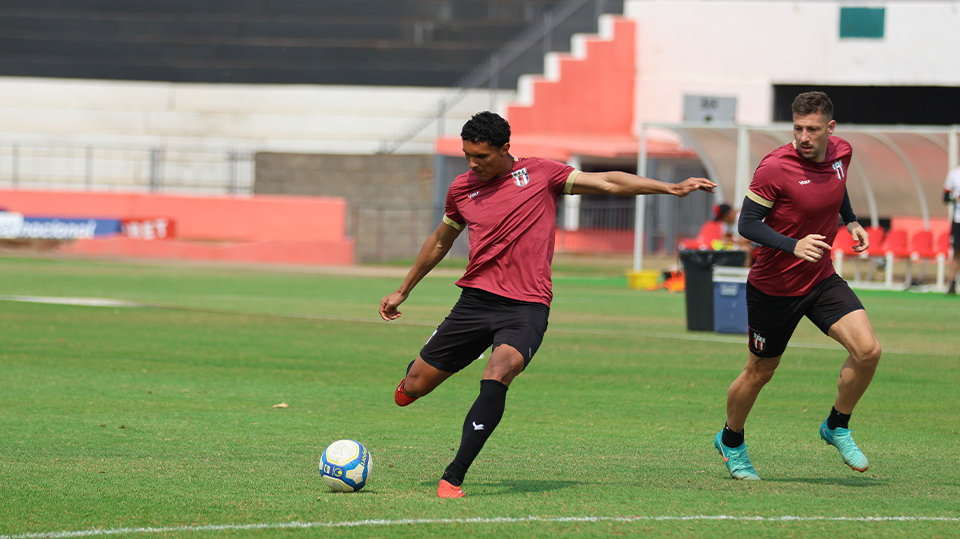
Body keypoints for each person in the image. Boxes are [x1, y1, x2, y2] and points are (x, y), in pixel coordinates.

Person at [379, 111, 716, 498]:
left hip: (526, 307)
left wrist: (670, 188)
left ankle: (453, 476)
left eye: (481, 156)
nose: (473, 164)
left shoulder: (541, 174)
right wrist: (404, 289)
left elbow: (608, 181)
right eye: (466, 155)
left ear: (505, 148)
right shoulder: (461, 188)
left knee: (499, 370)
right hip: (474, 303)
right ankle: (422, 368)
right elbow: (441, 241)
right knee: (412, 390)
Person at [713, 91, 882, 480]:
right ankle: (731, 440)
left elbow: (835, 189)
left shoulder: (842, 152)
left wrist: (851, 220)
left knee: (868, 350)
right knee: (760, 371)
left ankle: (837, 425)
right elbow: (747, 224)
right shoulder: (775, 167)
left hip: (820, 278)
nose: (804, 137)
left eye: (813, 129)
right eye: (798, 129)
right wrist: (793, 244)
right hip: (774, 287)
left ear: (830, 129)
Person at [943, 165, 960, 295]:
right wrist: (955, 198)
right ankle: (952, 283)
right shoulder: (954, 174)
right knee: (956, 251)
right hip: (958, 219)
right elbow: (945, 197)